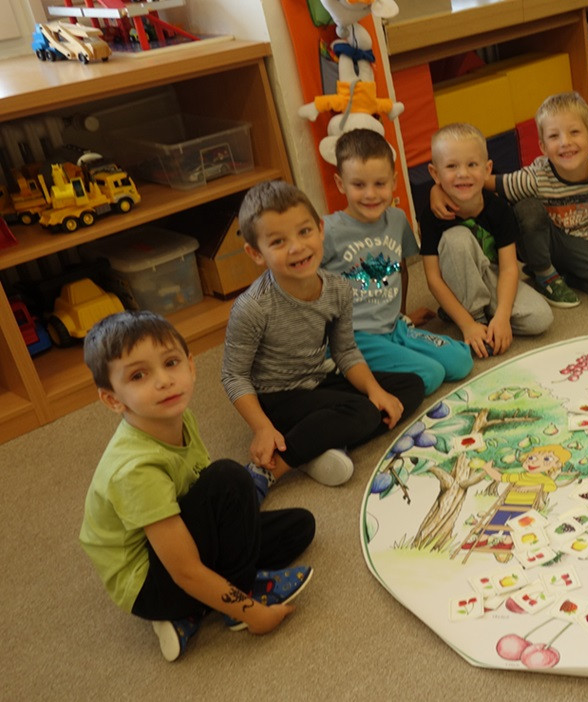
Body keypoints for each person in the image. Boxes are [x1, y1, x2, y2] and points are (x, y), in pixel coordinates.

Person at [79, 311, 316, 662]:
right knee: (230, 480)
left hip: (176, 536)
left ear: (190, 365)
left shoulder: (176, 415)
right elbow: (184, 570)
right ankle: (226, 600)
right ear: (113, 399)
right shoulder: (134, 470)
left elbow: (198, 488)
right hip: (151, 582)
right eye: (139, 375)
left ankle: (196, 609)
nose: (164, 381)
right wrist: (253, 614)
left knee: (299, 526)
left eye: (170, 363)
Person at [221, 180, 426, 489]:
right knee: (363, 412)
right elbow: (233, 375)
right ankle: (277, 467)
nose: (297, 247)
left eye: (304, 232)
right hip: (276, 399)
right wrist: (262, 427)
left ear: (320, 229)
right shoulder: (252, 307)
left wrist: (375, 389)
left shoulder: (338, 288)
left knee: (410, 386)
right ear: (256, 253)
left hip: (318, 380)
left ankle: (316, 443)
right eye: (278, 242)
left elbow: (345, 351)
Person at [430, 92, 588, 307]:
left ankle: (563, 275)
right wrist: (438, 187)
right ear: (543, 147)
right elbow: (482, 179)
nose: (565, 142)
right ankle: (545, 275)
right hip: (537, 242)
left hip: (580, 242)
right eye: (554, 136)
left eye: (574, 132)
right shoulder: (533, 178)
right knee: (528, 208)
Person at [322, 128, 473, 387]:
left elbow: (401, 270)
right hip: (354, 339)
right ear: (340, 184)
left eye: (380, 184)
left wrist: (402, 315)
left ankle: (391, 354)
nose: (370, 194)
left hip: (394, 327)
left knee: (461, 361)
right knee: (431, 375)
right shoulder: (328, 230)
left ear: (393, 182)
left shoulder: (397, 219)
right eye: (359, 185)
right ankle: (347, 375)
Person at [415, 123, 553, 358]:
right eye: (452, 166)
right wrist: (468, 324)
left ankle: (474, 312)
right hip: (456, 280)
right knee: (456, 238)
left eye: (472, 164)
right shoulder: (431, 214)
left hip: (491, 277)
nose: (463, 173)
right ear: (435, 174)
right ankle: (475, 316)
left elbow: (508, 268)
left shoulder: (499, 208)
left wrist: (502, 316)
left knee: (541, 318)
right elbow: (433, 279)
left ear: (487, 169)